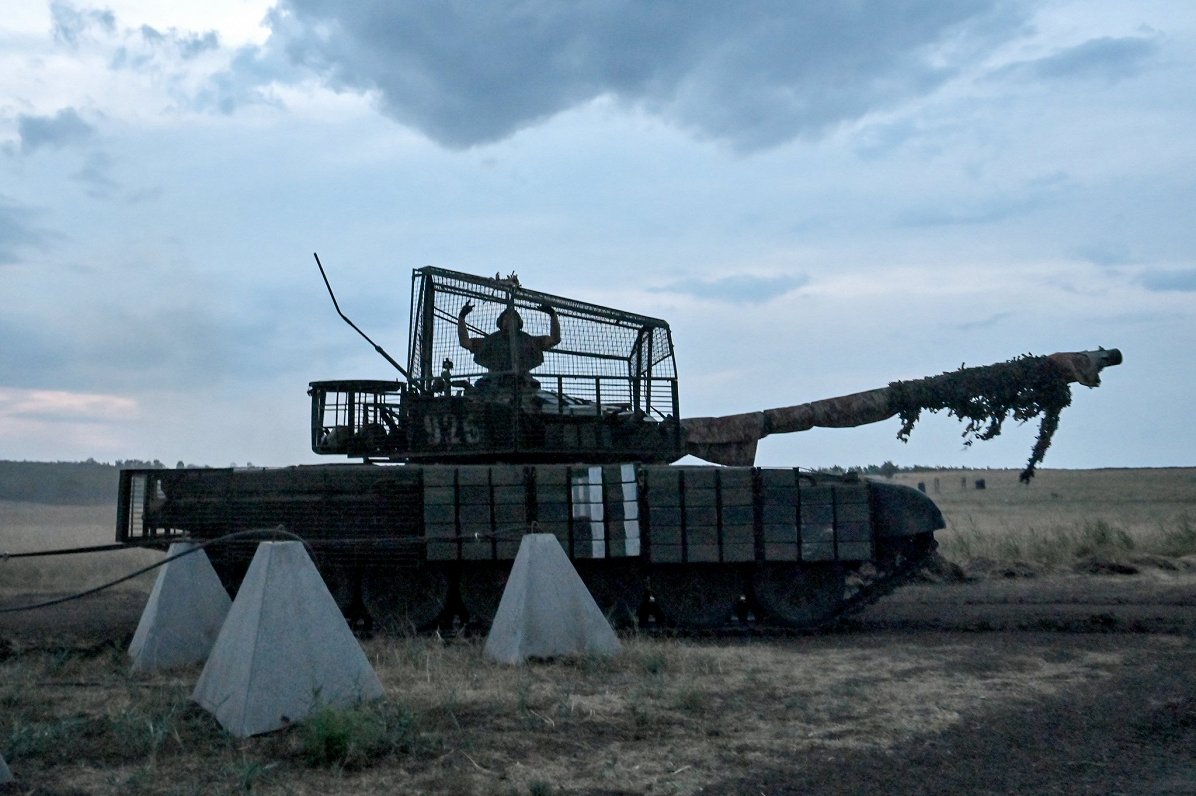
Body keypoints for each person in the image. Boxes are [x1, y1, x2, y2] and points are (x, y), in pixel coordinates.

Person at [457, 300, 560, 397]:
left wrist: (553, 314)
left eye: (513, 319)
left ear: (518, 322)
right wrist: (462, 317)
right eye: (506, 318)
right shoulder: (492, 340)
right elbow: (465, 342)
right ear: (501, 322)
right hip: (493, 382)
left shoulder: (527, 340)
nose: (509, 322)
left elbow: (554, 339)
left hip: (522, 383)